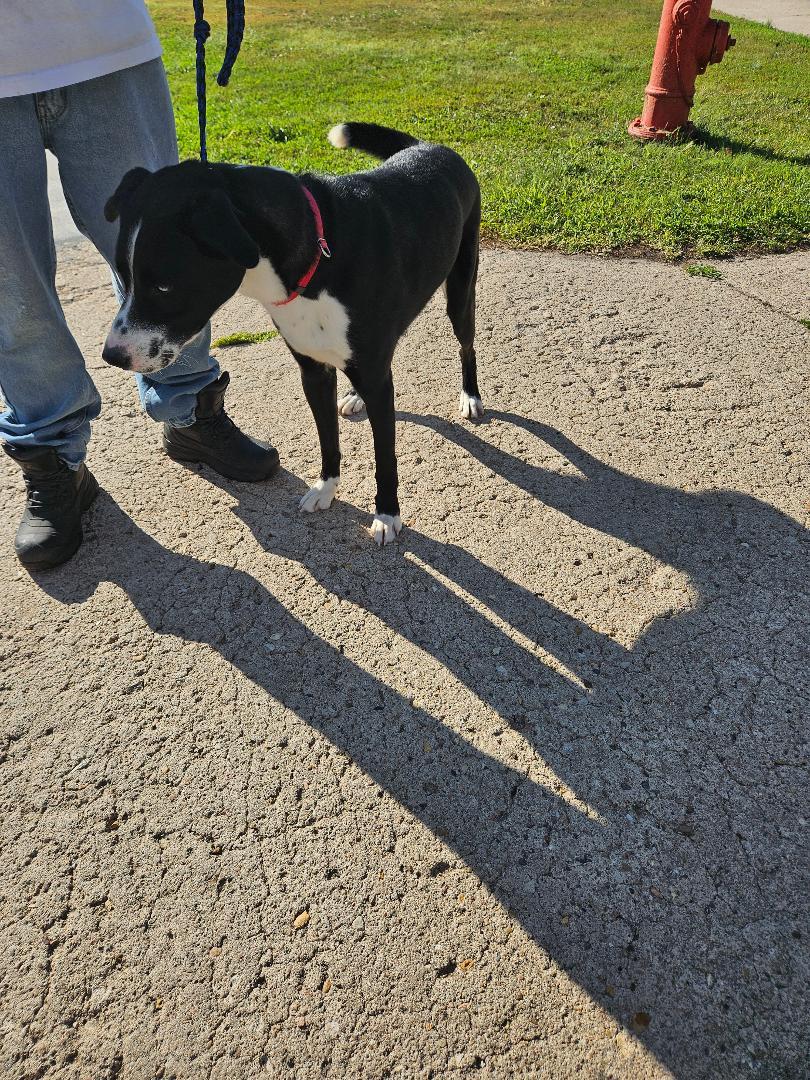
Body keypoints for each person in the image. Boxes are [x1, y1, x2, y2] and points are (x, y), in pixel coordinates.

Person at [0, 1, 279, 572]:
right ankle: (54, 460)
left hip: (104, 42)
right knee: (10, 286)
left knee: (168, 251)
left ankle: (190, 411)